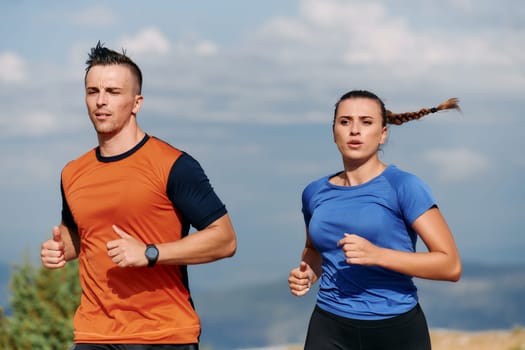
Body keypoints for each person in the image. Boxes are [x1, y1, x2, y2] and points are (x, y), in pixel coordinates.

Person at [40, 42, 237, 350]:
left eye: (113, 92)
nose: (101, 102)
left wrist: (149, 253)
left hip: (163, 335)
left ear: (136, 102)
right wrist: (61, 249)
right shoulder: (72, 172)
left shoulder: (173, 165)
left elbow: (225, 240)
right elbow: (81, 237)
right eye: (93, 92)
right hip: (94, 334)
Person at [288, 90, 462, 350]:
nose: (354, 130)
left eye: (366, 122)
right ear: (334, 131)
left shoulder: (404, 186)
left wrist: (378, 255)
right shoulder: (314, 193)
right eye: (345, 122)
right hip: (329, 325)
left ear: (383, 133)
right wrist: (309, 273)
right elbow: (314, 250)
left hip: (396, 329)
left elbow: (450, 265)